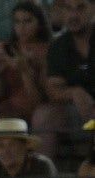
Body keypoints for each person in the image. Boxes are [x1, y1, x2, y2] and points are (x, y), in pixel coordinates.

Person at [38, 0, 95, 165]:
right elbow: (53, 89)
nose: (73, 15)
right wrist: (74, 92)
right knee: (44, 115)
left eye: (80, 7)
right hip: (76, 111)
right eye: (68, 8)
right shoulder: (58, 46)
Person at [0, 1, 51, 128]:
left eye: (27, 21)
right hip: (8, 109)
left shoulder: (47, 51)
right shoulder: (7, 48)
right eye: (17, 22)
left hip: (35, 112)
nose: (21, 27)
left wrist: (24, 71)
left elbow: (39, 101)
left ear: (39, 23)